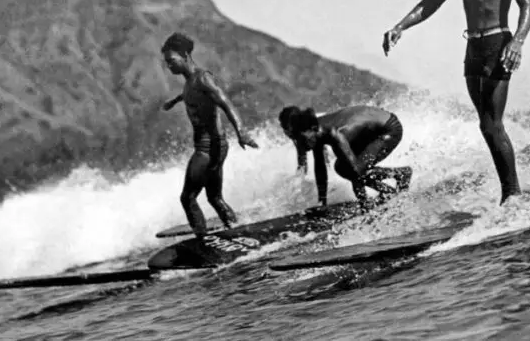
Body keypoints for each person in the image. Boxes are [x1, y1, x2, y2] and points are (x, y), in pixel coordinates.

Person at [382, 0, 530, 205]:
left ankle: (512, 196)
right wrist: (400, 26)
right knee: (485, 124)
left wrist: (518, 42)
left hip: (498, 43)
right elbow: (434, 0)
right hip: (472, 48)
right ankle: (509, 192)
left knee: (492, 123)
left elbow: (527, 6)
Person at [161, 32, 259, 237]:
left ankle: (202, 241)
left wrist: (241, 132)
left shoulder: (203, 78)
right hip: (216, 145)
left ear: (185, 54)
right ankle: (238, 233)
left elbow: (226, 103)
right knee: (214, 197)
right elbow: (191, 95)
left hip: (208, 147)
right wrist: (174, 101)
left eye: (171, 61)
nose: (169, 66)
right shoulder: (190, 82)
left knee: (187, 198)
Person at [278, 105, 412, 207]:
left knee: (347, 169)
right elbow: (320, 168)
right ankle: (389, 192)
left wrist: (363, 203)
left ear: (310, 131)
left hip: (388, 129)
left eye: (301, 139)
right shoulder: (313, 130)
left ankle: (401, 174)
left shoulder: (337, 134)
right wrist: (322, 203)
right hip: (366, 130)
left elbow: (355, 172)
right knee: (343, 167)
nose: (301, 145)